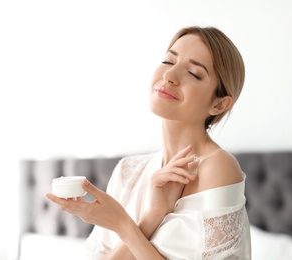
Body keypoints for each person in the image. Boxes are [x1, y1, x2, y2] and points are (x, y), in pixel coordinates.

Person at [47, 26, 251, 259]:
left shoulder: (217, 168)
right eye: (167, 61)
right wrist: (152, 215)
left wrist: (123, 225)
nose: (169, 76)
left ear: (219, 105)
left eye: (193, 73)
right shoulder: (128, 171)